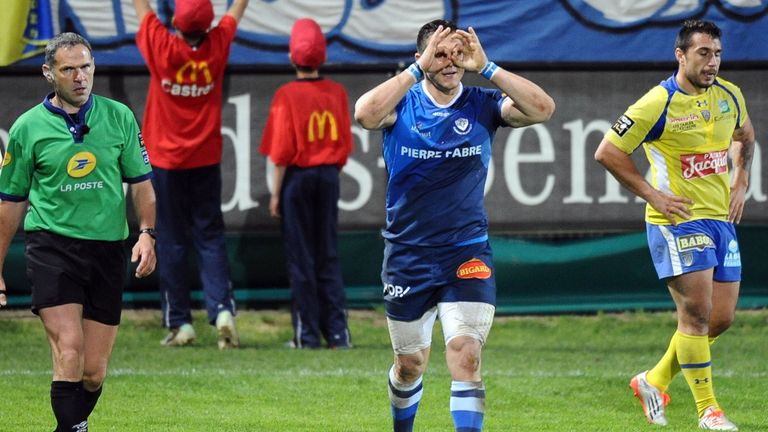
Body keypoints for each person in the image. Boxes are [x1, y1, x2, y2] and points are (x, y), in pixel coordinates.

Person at [354, 20, 555, 431]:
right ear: (422, 57)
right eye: (440, 54)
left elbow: (543, 109)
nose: (450, 63)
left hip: (466, 251)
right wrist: (416, 70)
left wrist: (489, 66)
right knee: (410, 364)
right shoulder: (402, 105)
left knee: (465, 354)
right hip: (407, 254)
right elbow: (364, 114)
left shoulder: (482, 103)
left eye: (456, 54)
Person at [595, 20, 755, 431]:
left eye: (717, 54)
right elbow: (608, 152)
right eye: (703, 53)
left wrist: (742, 179)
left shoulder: (729, 96)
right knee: (697, 316)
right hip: (678, 221)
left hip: (720, 219)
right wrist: (654, 195)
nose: (712, 62)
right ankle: (709, 411)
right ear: (680, 55)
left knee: (721, 319)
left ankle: (653, 380)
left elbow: (746, 136)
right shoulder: (656, 102)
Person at [0, 32, 156, 431]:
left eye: (85, 66)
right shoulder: (26, 128)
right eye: (68, 69)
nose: (80, 76)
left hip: (107, 251)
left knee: (93, 372)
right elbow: (11, 203)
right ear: (48, 73)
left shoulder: (120, 116)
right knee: (68, 350)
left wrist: (147, 234)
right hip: (51, 248)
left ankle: (71, 426)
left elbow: (141, 184)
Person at [132, 0, 249, 349]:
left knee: (170, 239)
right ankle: (223, 311)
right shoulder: (217, 44)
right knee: (210, 237)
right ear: (208, 24)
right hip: (205, 160)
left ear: (177, 24)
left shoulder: (162, 44)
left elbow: (141, 9)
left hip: (165, 162)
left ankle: (180, 323)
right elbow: (237, 10)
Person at [259, 18, 353, 349]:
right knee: (327, 253)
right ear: (323, 56)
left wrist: (275, 194)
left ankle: (308, 335)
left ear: (291, 57)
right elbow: (344, 146)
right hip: (328, 177)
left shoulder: (286, 94)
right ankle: (339, 334)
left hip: (297, 180)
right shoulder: (337, 92)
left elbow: (281, 152)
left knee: (301, 257)